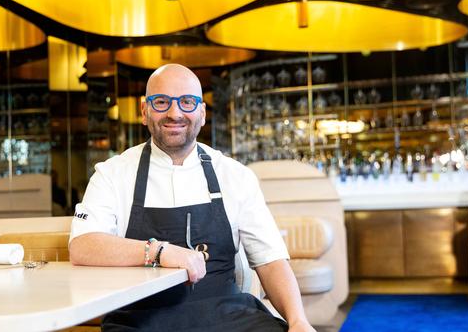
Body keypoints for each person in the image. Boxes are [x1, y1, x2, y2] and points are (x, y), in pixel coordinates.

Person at [69, 64, 314, 332]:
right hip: (141, 320)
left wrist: (298, 321)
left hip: (228, 317)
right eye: (161, 102)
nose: (175, 113)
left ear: (202, 112)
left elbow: (270, 260)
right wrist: (158, 251)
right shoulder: (112, 174)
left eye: (187, 102)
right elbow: (82, 245)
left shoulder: (235, 175)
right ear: (144, 111)